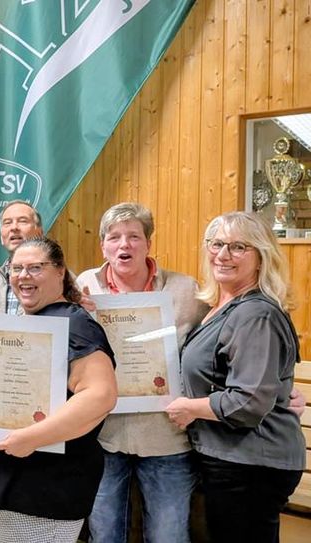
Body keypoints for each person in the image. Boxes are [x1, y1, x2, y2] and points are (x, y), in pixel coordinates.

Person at [0, 237, 118, 543]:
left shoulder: (75, 324)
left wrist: (32, 438)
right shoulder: (29, 323)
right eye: (16, 269)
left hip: (41, 491)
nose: (23, 276)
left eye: (35, 268)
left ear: (60, 271)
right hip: (10, 489)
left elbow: (100, 396)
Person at [165, 211, 305, 542]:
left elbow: (249, 402)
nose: (223, 254)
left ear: (261, 257)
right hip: (233, 460)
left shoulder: (256, 314)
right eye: (216, 244)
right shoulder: (222, 306)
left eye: (239, 247)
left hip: (251, 464)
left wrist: (190, 408)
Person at [75, 203, 207, 543]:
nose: (124, 245)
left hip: (166, 437)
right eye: (114, 237)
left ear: (148, 243)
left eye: (134, 236)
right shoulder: (84, 286)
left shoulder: (185, 290)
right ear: (103, 245)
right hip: (103, 436)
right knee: (104, 534)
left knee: (169, 536)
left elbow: (215, 344)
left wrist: (280, 388)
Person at [0, 200, 43, 315]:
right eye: (7, 223)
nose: (14, 227)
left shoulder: (58, 279)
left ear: (40, 233)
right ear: (1, 237)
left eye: (22, 221)